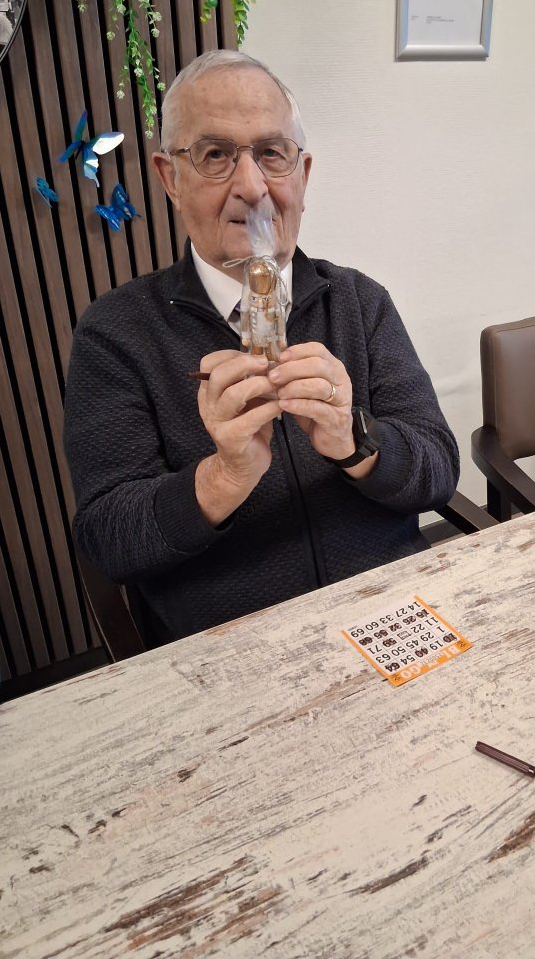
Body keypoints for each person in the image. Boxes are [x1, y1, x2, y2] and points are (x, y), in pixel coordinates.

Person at [63, 50, 459, 645]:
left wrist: (354, 440)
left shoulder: (359, 302)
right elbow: (109, 540)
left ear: (303, 175)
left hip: (389, 614)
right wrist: (223, 476)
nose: (252, 188)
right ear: (170, 178)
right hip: (236, 647)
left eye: (272, 153)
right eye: (215, 155)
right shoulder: (117, 335)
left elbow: (439, 472)